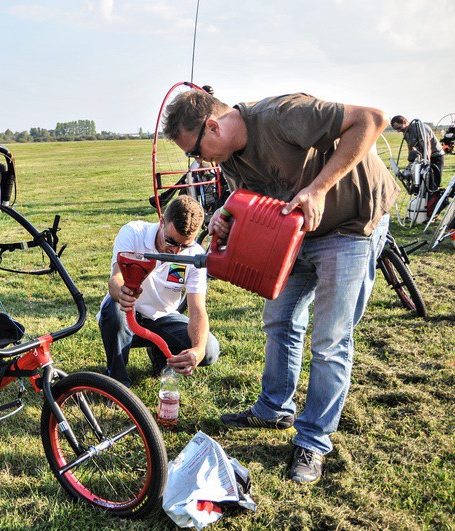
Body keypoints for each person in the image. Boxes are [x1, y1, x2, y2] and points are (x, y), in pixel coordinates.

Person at [162, 90, 399, 485]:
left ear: (214, 126)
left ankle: (313, 441)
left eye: (197, 151)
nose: (199, 162)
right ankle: (274, 408)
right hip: (299, 233)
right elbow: (255, 202)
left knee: (329, 339)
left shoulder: (281, 115)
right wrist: (227, 215)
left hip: (350, 224)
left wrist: (319, 188)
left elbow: (372, 119)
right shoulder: (232, 159)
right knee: (280, 318)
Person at [98, 195, 220, 388]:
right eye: (171, 241)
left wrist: (197, 350)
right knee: (114, 311)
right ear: (162, 221)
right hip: (127, 314)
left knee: (210, 350)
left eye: (184, 245)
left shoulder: (195, 256)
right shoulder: (134, 232)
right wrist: (122, 293)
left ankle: (158, 353)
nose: (176, 252)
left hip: (163, 317)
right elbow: (115, 278)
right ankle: (117, 382)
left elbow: (197, 309)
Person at [391, 115, 445, 189]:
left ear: (405, 121)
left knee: (433, 183)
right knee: (422, 182)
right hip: (424, 157)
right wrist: (411, 161)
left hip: (436, 155)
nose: (398, 131)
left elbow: (427, 144)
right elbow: (410, 147)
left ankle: (435, 197)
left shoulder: (419, 127)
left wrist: (427, 161)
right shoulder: (406, 132)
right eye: (396, 129)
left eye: (399, 128)